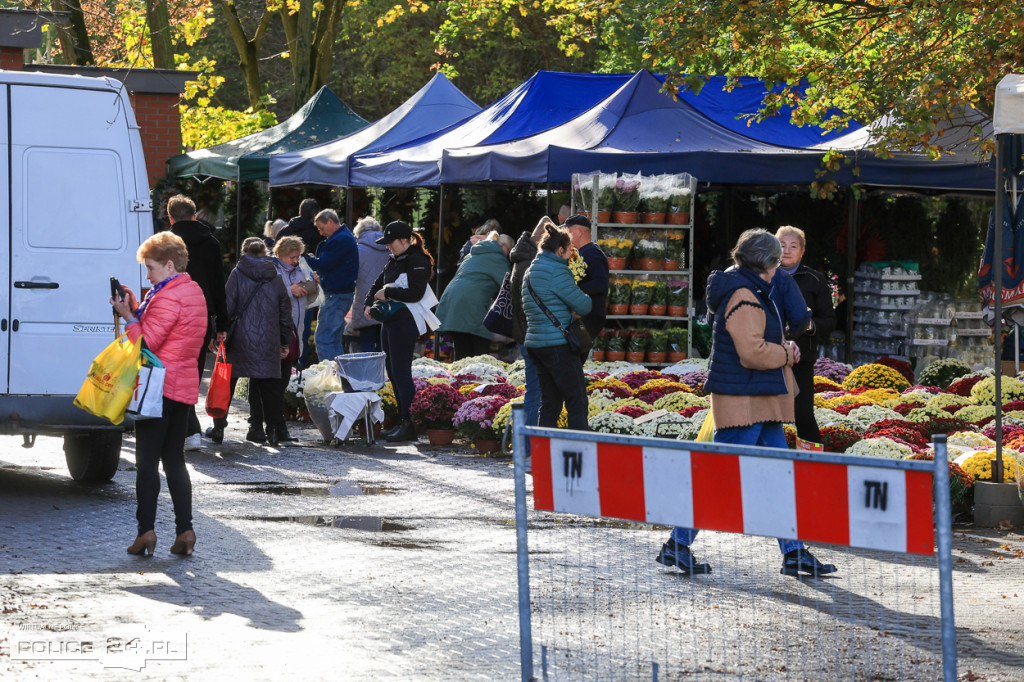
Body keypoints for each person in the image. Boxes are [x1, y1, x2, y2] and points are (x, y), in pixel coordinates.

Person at [655, 229, 838, 578]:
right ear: (766, 263)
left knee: (774, 480)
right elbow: (752, 352)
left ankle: (794, 551)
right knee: (719, 480)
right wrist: (786, 351)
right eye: (775, 259)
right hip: (744, 404)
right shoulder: (743, 294)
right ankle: (677, 545)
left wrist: (784, 345)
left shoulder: (753, 287)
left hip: (759, 401)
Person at [112, 232, 207, 557]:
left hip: (157, 388)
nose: (148, 275)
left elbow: (148, 342)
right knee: (175, 461)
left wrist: (127, 317)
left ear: (168, 265)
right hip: (182, 387)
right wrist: (136, 306)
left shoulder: (167, 296)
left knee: (147, 464)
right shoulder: (189, 290)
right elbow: (166, 329)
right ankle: (185, 531)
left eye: (151, 268)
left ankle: (145, 532)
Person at [165, 195, 228, 451]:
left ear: (170, 217)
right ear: (194, 216)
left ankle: (186, 428)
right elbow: (217, 284)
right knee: (194, 371)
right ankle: (188, 428)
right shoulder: (210, 243)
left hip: (170, 312)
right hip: (202, 314)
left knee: (172, 371)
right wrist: (222, 323)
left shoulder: (165, 244)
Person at [365, 221, 434, 443]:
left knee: (402, 371)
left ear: (404, 240)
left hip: (405, 321)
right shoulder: (394, 259)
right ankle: (402, 420)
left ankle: (409, 424)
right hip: (390, 320)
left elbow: (416, 292)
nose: (388, 247)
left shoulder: (418, 260)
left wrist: (389, 291)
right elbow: (377, 283)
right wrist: (368, 302)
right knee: (392, 371)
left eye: (390, 242)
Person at [223, 238, 292, 446]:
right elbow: (284, 313)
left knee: (228, 383)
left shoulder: (237, 274)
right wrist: (284, 342)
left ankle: (218, 427)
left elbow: (227, 307)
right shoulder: (276, 276)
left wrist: (220, 333)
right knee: (270, 387)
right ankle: (270, 431)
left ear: (244, 252)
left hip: (240, 340)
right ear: (265, 253)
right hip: (268, 340)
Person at [522, 225, 592, 430]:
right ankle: (578, 451)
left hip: (536, 344)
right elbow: (584, 305)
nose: (572, 254)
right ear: (560, 250)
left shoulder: (531, 269)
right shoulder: (556, 271)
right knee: (576, 399)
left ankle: (543, 454)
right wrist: (575, 307)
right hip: (558, 345)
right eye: (569, 249)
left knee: (550, 403)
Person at [776, 225, 836, 444]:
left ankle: (813, 465)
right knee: (766, 414)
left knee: (803, 414)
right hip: (766, 355)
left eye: (793, 246)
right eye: (782, 245)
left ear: (802, 251)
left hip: (802, 357)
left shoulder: (815, 279)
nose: (787, 251)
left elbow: (830, 320)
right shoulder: (762, 275)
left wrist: (808, 325)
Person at [270, 236, 319, 442]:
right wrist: (290, 291)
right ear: (280, 254)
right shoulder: (272, 270)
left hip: (295, 333)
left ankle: (276, 427)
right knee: (275, 383)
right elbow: (268, 297)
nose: (296, 261)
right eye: (292, 257)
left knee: (282, 380)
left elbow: (308, 301)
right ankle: (273, 426)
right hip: (277, 333)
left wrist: (312, 287)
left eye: (298, 256)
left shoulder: (300, 270)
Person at [435, 231, 510, 361]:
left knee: (462, 355)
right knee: (480, 357)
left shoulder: (472, 254)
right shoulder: (498, 258)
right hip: (472, 306)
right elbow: (509, 286)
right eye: (509, 251)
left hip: (453, 303)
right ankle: (477, 380)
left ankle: (461, 380)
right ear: (502, 246)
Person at [303, 209, 358, 364]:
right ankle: (339, 376)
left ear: (331, 222)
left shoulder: (340, 239)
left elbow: (325, 264)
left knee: (323, 339)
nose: (320, 233)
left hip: (336, 294)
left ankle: (331, 377)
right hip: (339, 293)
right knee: (332, 339)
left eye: (321, 228)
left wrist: (305, 259)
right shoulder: (343, 237)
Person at [509, 217, 547, 432]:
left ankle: (527, 443)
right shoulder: (531, 265)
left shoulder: (521, 259)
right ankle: (529, 445)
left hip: (525, 334)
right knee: (536, 391)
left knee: (535, 389)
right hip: (531, 335)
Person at [345, 217, 391, 354]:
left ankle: (368, 374)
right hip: (387, 302)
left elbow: (349, 275)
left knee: (366, 345)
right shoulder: (390, 247)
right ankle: (385, 373)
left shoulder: (357, 250)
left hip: (365, 303)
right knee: (385, 344)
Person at [563, 214, 609, 339]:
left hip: (590, 315)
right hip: (587, 314)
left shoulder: (591, 253)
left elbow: (601, 284)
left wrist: (574, 289)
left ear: (578, 232)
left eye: (569, 231)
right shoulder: (586, 252)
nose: (566, 236)